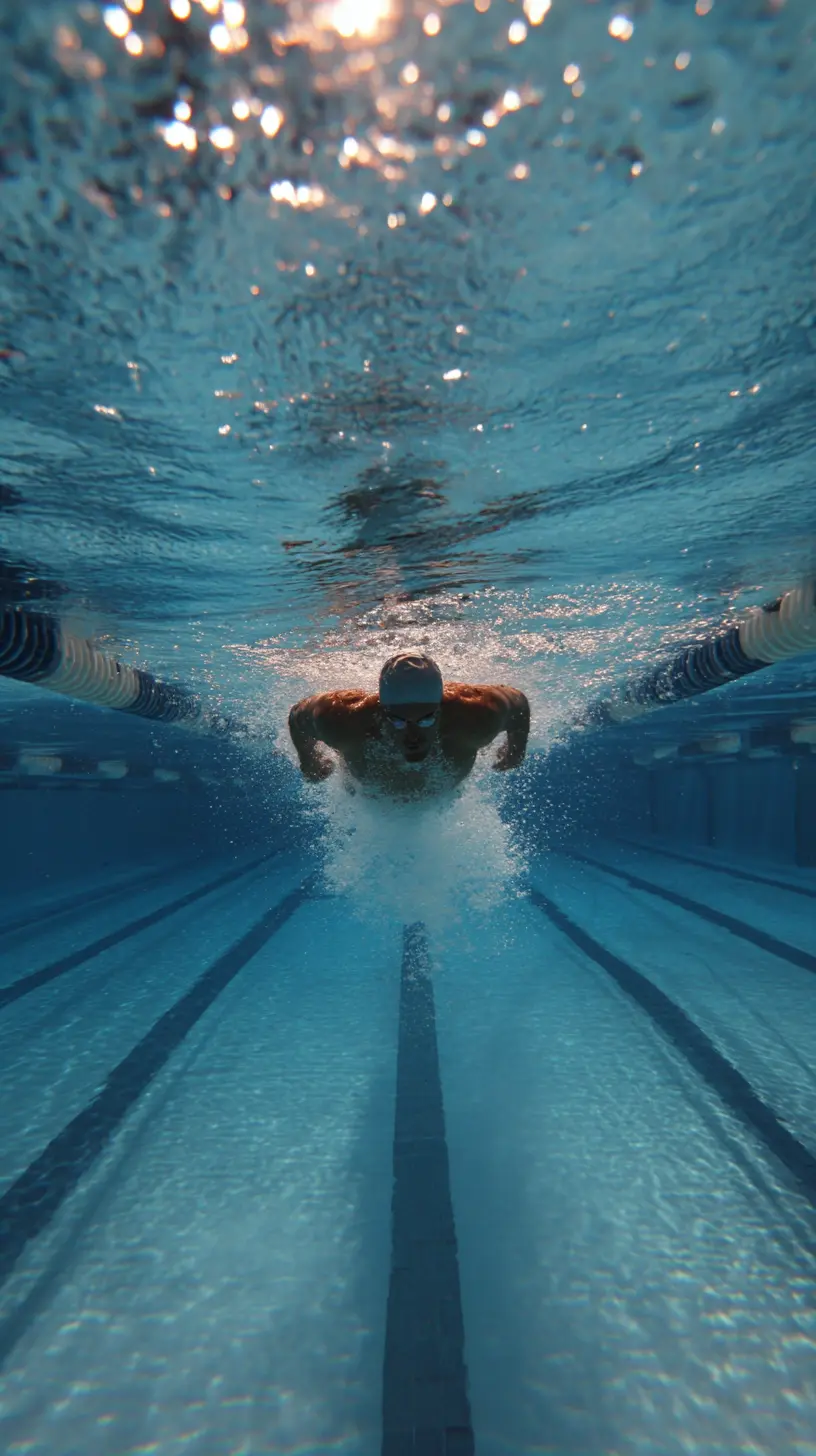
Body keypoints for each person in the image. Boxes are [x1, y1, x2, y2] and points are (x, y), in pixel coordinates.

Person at [288, 650, 530, 798]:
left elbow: (518, 704)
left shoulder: (476, 716)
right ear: (382, 712)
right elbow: (298, 716)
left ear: (441, 709)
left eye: (426, 719)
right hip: (365, 798)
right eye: (398, 721)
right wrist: (309, 759)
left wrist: (516, 750)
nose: (413, 734)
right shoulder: (344, 720)